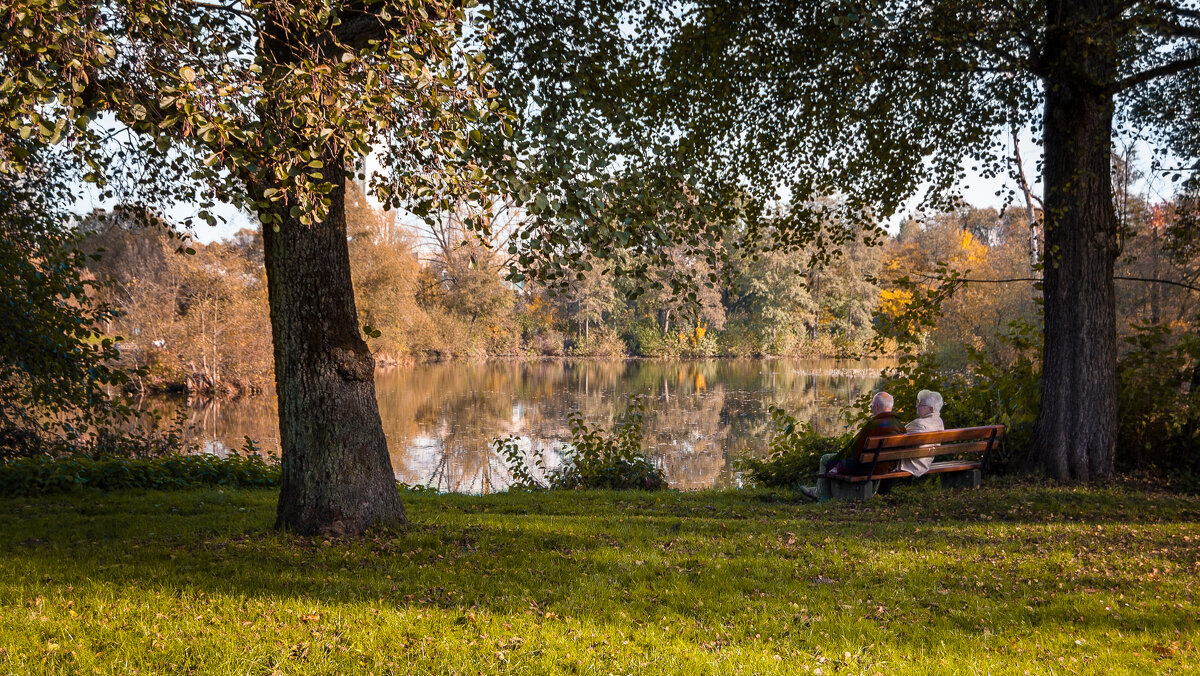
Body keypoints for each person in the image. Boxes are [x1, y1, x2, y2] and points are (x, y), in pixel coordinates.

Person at [799, 392, 906, 500]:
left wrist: (839, 467)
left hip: (868, 467)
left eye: (872, 405)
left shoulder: (873, 426)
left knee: (825, 459)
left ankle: (821, 495)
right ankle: (818, 490)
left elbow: (856, 453)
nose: (872, 408)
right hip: (887, 467)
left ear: (877, 407)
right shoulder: (899, 426)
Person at [875, 390, 945, 495]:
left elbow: (897, 440)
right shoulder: (939, 422)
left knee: (882, 459)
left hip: (912, 463)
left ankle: (879, 494)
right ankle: (881, 493)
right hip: (924, 460)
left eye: (921, 404)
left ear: (931, 409)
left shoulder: (920, 424)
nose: (917, 406)